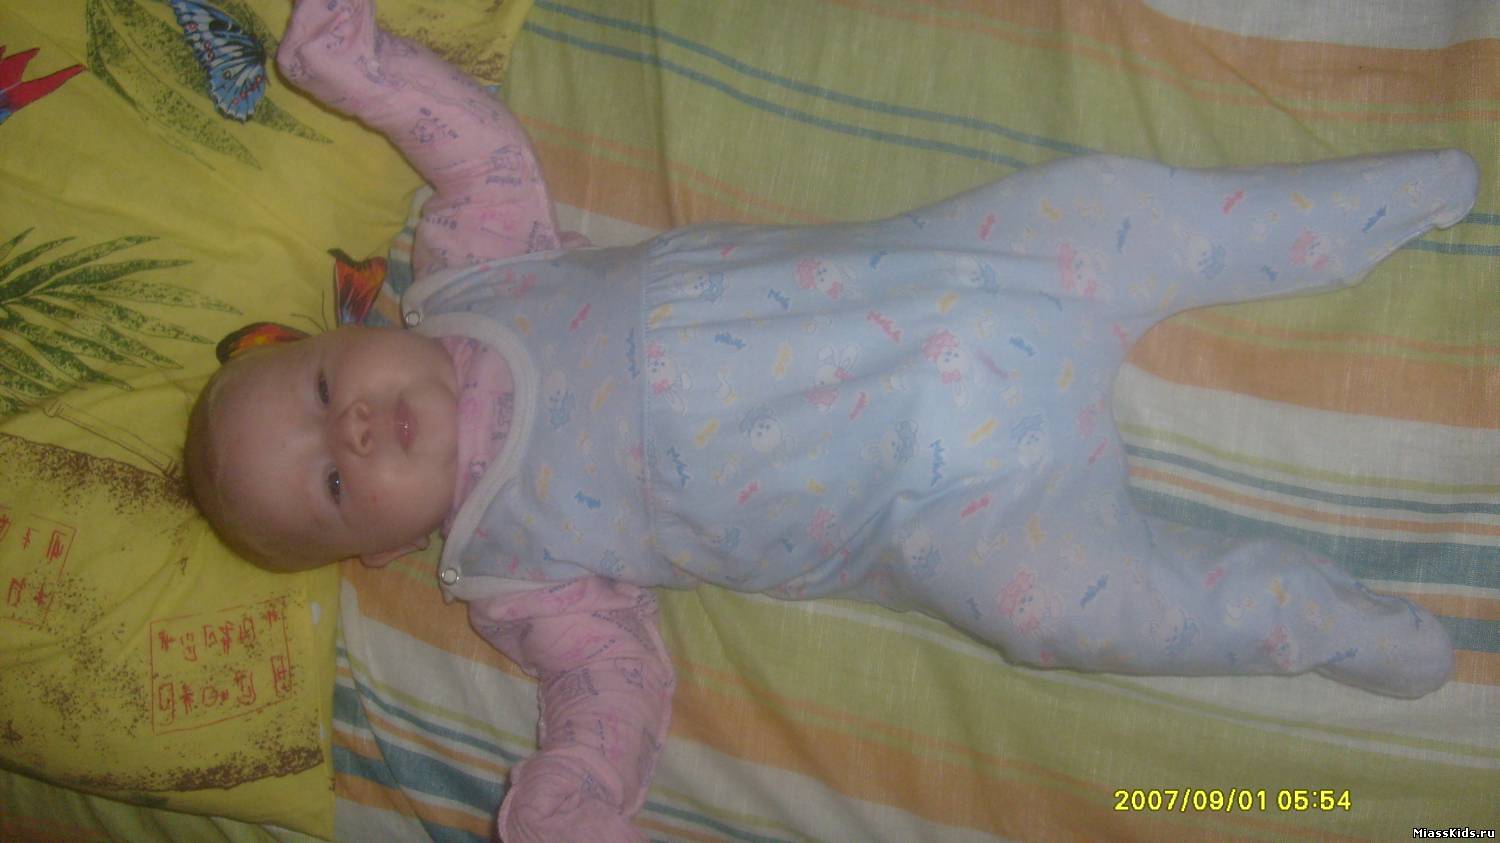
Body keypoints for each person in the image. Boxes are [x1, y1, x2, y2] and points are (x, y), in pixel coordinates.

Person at [186, 0, 1474, 839]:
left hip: (968, 283)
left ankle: (1333, 215)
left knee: (1110, 206)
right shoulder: (514, 573)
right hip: (954, 508)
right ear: (376, 551)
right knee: (1062, 612)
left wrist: (361, 66)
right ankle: (1309, 618)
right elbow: (610, 684)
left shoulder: (475, 273)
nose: (353, 432)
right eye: (334, 485)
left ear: (348, 328)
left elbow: (475, 147)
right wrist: (572, 793)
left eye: (320, 390)